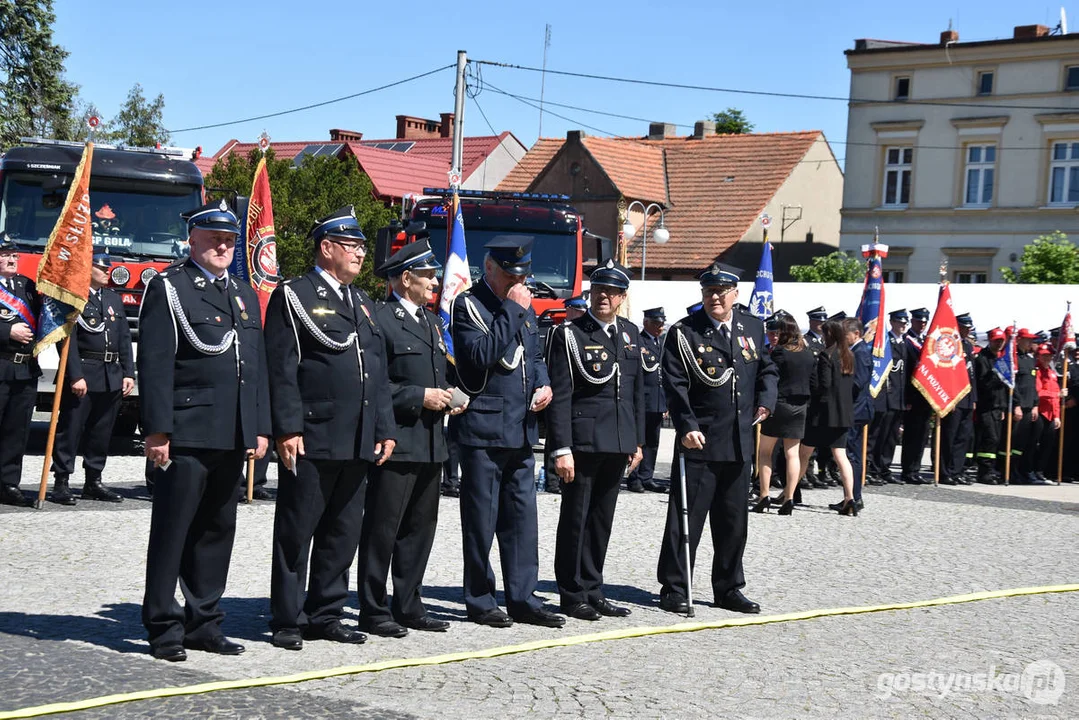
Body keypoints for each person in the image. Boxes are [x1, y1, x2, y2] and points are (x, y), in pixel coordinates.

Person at [139, 200, 271, 662]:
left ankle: (204, 622)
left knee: (217, 530)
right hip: (188, 429)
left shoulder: (241, 292)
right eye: (214, 238)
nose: (222, 245)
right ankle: (163, 625)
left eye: (230, 240)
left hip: (232, 431)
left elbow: (254, 367)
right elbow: (155, 364)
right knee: (173, 530)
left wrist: (258, 427)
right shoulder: (170, 288)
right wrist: (157, 430)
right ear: (192, 239)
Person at [264, 206, 396, 651]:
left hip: (357, 435)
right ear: (327, 248)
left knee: (343, 531)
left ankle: (327, 611)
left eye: (361, 246)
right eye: (352, 246)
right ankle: (287, 615)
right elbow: (281, 369)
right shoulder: (295, 295)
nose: (361, 254)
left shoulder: (362, 302)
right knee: (297, 530)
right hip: (312, 433)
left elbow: (375, 371)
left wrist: (384, 426)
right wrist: (286, 428)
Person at [451, 236, 563, 629]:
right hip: (483, 427)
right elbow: (481, 355)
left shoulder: (523, 305)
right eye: (511, 275)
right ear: (491, 268)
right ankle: (481, 599)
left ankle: (523, 596)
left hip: (520, 429)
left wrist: (543, 383)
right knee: (482, 521)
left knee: (522, 521)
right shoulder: (468, 304)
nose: (518, 282)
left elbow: (533, 355)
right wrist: (513, 310)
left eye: (523, 275)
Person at [656, 262, 777, 615]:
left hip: (740, 441)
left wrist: (766, 402)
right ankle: (675, 587)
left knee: (734, 522)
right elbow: (674, 383)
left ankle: (728, 587)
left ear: (735, 295)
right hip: (701, 441)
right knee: (686, 520)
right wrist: (686, 424)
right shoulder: (685, 332)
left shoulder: (752, 328)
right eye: (709, 292)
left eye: (721, 293)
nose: (715, 299)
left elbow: (767, 368)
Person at [357, 240, 459, 638]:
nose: (435, 282)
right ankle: (372, 606)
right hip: (397, 440)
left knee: (420, 528)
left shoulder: (432, 323)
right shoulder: (381, 319)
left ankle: (409, 603)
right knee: (383, 528)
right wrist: (420, 397)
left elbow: (438, 376)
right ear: (405, 278)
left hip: (432, 442)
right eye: (428, 275)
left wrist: (450, 397)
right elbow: (378, 383)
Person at [547, 260, 643, 621]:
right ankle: (571, 594)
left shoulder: (630, 333)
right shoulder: (570, 334)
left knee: (602, 519)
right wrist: (561, 448)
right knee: (576, 519)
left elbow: (635, 393)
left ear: (621, 297)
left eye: (612, 291)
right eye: (599, 289)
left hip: (617, 441)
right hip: (583, 442)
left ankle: (593, 586)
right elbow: (561, 395)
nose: (603, 296)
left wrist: (637, 442)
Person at [49, 252, 134, 505]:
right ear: (88, 269)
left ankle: (93, 480)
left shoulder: (112, 299)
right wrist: (75, 375)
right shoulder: (74, 299)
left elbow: (124, 339)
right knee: (71, 429)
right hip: (85, 372)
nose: (108, 271)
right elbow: (67, 340)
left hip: (111, 374)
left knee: (101, 430)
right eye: (102, 267)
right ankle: (61, 481)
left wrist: (128, 372)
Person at [753, 313, 815, 514]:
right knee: (792, 454)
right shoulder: (807, 353)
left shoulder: (779, 353)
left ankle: (763, 496)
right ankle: (789, 497)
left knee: (764, 453)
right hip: (800, 406)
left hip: (780, 404)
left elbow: (769, 378)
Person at [800, 319, 859, 516]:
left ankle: (788, 493)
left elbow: (822, 385)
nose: (822, 337)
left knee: (803, 454)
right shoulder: (848, 355)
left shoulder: (827, 354)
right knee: (841, 456)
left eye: (824, 334)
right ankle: (850, 497)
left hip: (823, 415)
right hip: (843, 414)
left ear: (830, 335)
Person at [0, 233, 40, 507]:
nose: (11, 259)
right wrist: (6, 331)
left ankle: (8, 483)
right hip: (1, 365)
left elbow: (45, 317)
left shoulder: (26, 286)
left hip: (24, 369)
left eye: (14, 255)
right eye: (5, 255)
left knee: (17, 431)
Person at [540, 294, 588, 496]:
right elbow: (550, 358)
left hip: (575, 392)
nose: (581, 313)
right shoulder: (557, 331)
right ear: (569, 310)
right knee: (555, 436)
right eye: (577, 310)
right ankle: (551, 479)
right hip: (558, 386)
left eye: (582, 310)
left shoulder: (580, 332)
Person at [626, 306, 668, 494]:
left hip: (657, 401)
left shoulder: (661, 344)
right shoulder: (639, 342)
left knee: (653, 441)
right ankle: (634, 478)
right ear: (646, 323)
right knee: (638, 441)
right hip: (643, 400)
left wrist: (665, 401)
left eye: (661, 324)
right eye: (656, 324)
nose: (660, 328)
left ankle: (647, 476)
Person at [866, 309, 909, 485]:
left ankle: (884, 468)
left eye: (905, 323)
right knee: (878, 435)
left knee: (891, 437)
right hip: (885, 397)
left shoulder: (904, 343)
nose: (903, 326)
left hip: (898, 398)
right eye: (900, 322)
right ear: (892, 322)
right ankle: (871, 468)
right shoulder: (886, 342)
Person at [938, 313, 977, 485]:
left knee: (963, 438)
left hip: (967, 398)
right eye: (964, 327)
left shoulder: (967, 345)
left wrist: (973, 398)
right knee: (949, 437)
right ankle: (945, 472)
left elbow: (971, 374)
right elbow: (945, 374)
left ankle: (957, 470)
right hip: (953, 399)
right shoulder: (949, 345)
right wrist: (947, 398)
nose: (967, 330)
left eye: (969, 328)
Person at [900, 307, 932, 484]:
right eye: (919, 321)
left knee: (922, 435)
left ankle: (916, 469)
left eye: (925, 322)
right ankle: (907, 470)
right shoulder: (907, 341)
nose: (922, 324)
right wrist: (908, 398)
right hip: (912, 397)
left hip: (926, 396)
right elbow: (905, 374)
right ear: (912, 321)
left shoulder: (928, 342)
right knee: (912, 435)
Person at [974, 328, 1008, 484]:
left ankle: (991, 470)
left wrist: (1002, 407)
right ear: (990, 340)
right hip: (986, 406)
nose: (999, 344)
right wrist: (996, 374)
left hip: (997, 406)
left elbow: (1004, 386)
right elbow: (983, 384)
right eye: (996, 341)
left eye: (1001, 341)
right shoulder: (982, 358)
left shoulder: (1000, 358)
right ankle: (983, 472)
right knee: (989, 438)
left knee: (996, 439)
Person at [1011, 328, 1038, 483]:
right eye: (1027, 339)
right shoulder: (1014, 359)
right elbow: (1013, 385)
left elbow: (1033, 385)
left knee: (1023, 442)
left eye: (1031, 340)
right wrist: (1017, 405)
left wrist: (1035, 404)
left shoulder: (1029, 360)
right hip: (1019, 407)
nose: (1030, 342)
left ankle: (1019, 470)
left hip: (1029, 406)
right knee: (1013, 441)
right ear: (1019, 339)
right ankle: (1010, 470)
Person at [1032, 343, 1060, 485]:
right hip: (1040, 411)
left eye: (1049, 355)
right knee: (1034, 443)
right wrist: (1056, 394)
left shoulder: (1052, 373)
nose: (1047, 358)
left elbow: (1056, 399)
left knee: (1047, 444)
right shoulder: (1037, 371)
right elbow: (1038, 392)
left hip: (1050, 413)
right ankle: (1031, 470)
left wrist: (1056, 416)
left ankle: (1040, 471)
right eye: (1044, 355)